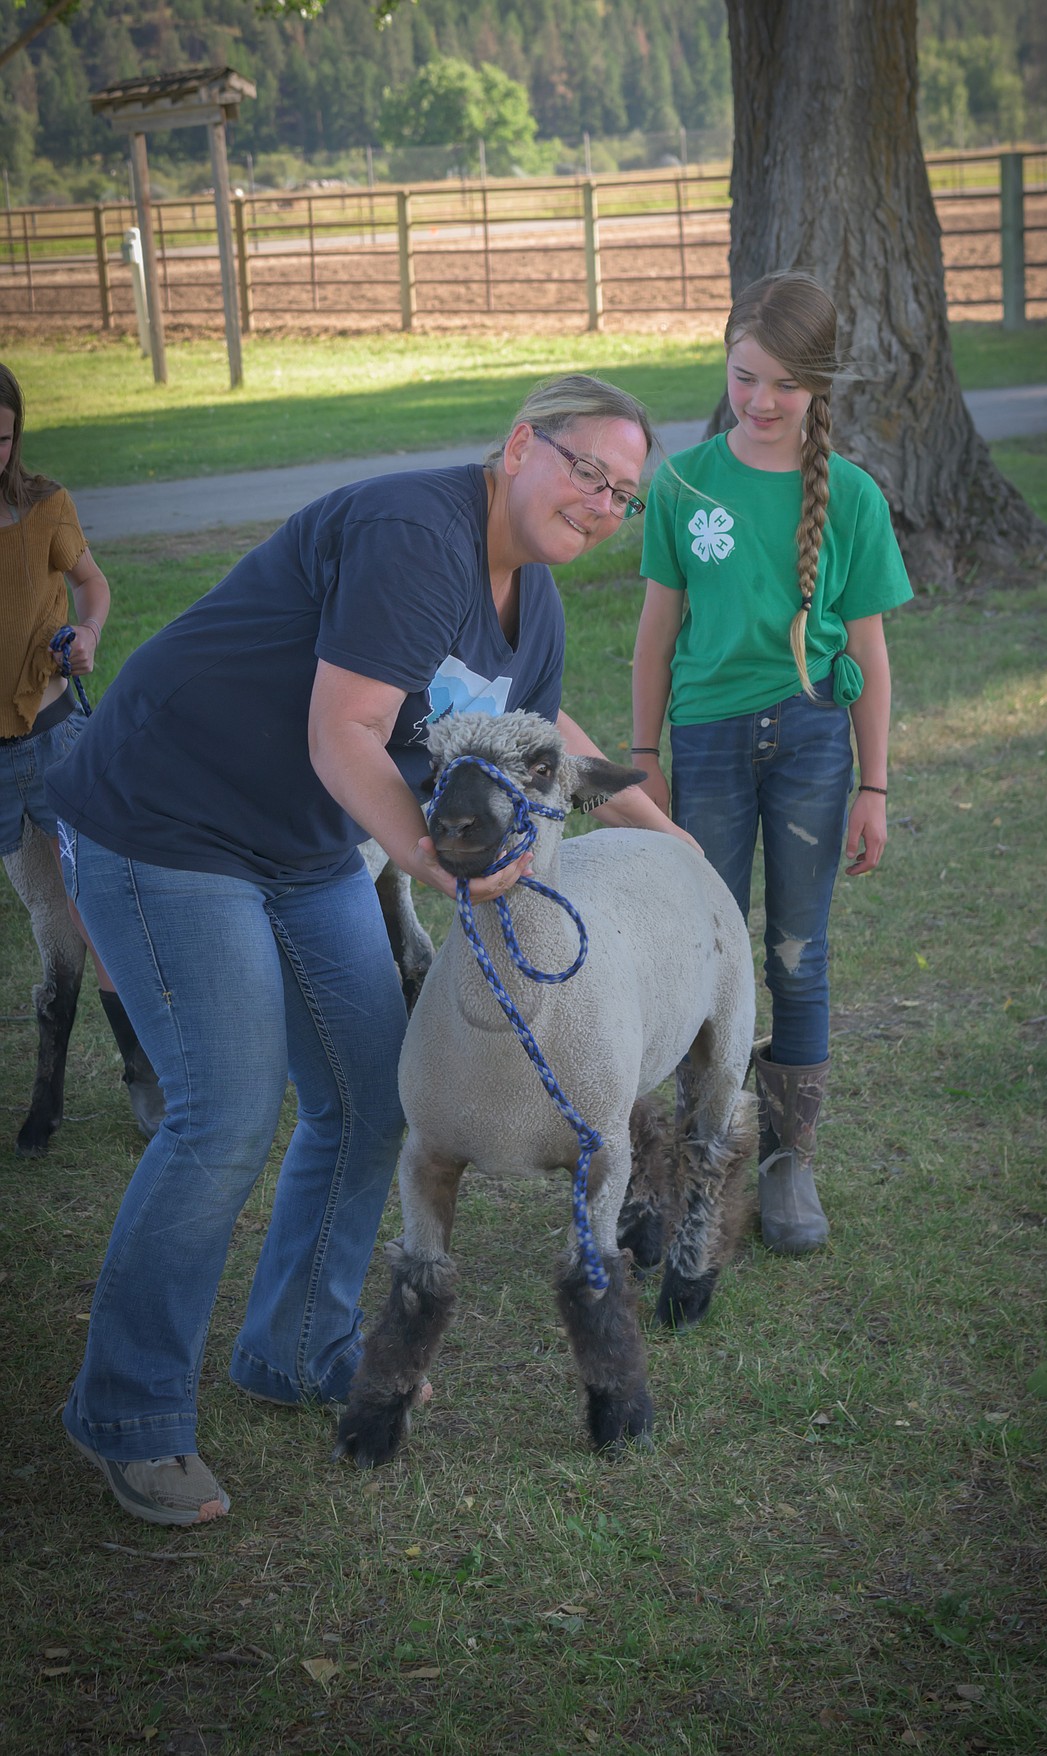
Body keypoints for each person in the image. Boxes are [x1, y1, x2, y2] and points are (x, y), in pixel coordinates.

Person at [46, 372, 689, 1528]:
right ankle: (130, 1412)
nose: (602, 503)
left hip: (299, 841)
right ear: (518, 446)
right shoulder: (413, 533)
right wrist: (442, 867)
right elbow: (343, 727)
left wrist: (671, 839)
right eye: (588, 471)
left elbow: (539, 735)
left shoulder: (528, 600)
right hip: (165, 816)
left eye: (625, 495)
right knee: (228, 1111)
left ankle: (298, 1350)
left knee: (367, 1091)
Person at [631, 272, 913, 1259]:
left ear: (819, 387)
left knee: (798, 953)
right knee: (701, 954)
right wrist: (639, 757)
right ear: (725, 363)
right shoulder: (683, 483)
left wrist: (873, 784)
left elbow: (870, 655)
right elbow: (656, 632)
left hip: (810, 749)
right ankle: (694, 1157)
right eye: (746, 376)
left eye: (786, 384)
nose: (761, 400)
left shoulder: (856, 498)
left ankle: (788, 1160)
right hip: (704, 745)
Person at [0, 361, 162, 1141]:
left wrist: (89, 632)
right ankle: (48, 1089)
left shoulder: (45, 507)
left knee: (95, 912)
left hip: (58, 739)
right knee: (45, 919)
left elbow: (92, 587)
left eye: (0, 438)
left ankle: (143, 1072)